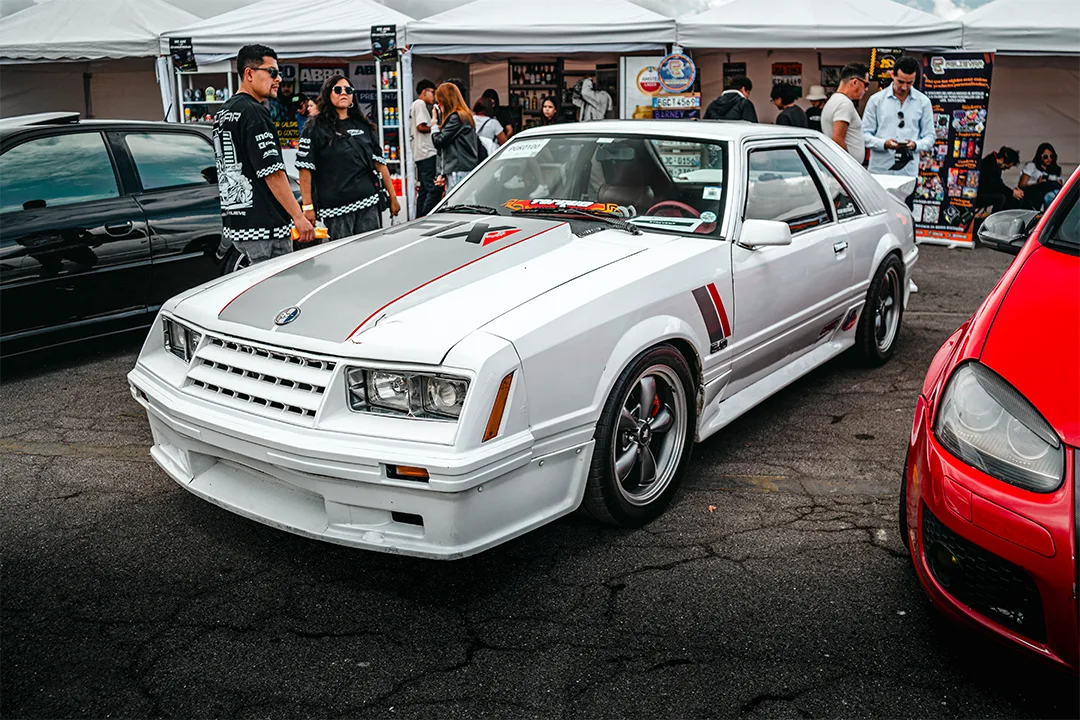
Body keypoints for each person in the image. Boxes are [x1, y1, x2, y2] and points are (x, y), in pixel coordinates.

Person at [212, 43, 313, 266]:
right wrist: (298, 216)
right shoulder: (254, 111)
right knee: (277, 293)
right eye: (272, 72)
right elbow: (273, 172)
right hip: (265, 227)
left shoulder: (224, 113)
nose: (278, 79)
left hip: (237, 224)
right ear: (249, 73)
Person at [296, 74, 400, 241]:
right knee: (343, 258)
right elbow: (305, 169)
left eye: (348, 90)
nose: (343, 93)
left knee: (371, 254)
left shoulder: (364, 125)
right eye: (337, 90)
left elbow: (380, 164)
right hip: (336, 208)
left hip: (368, 203)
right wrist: (307, 207)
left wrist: (393, 198)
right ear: (328, 94)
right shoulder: (314, 127)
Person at [862, 56, 934, 177]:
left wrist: (915, 145)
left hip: (908, 173)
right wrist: (884, 144)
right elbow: (864, 134)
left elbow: (930, 137)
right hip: (880, 171)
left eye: (909, 82)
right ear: (892, 75)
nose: (904, 87)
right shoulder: (876, 100)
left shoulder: (923, 102)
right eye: (900, 81)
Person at [431, 81, 479, 193]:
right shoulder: (461, 116)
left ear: (445, 101)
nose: (438, 105)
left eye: (439, 102)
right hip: (460, 167)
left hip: (458, 169)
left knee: (457, 204)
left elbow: (439, 141)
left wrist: (434, 124)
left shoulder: (456, 118)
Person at [820, 63, 869, 163]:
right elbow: (837, 139)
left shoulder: (833, 100)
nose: (866, 89)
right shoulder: (844, 103)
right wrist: (850, 165)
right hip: (847, 168)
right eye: (866, 84)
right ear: (855, 82)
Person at [409, 79, 440, 216]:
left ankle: (419, 216)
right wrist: (436, 128)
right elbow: (421, 127)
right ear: (424, 92)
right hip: (426, 152)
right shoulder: (420, 103)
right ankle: (427, 215)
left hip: (420, 152)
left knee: (423, 190)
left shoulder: (415, 105)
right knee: (432, 189)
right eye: (432, 92)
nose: (434, 96)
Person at [975, 146, 1023, 213]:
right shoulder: (990, 163)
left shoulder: (994, 163)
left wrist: (1011, 192)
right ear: (1003, 160)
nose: (1006, 169)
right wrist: (1011, 192)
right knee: (1001, 198)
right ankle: (995, 219)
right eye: (1006, 167)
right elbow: (995, 184)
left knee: (1009, 197)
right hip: (978, 194)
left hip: (986, 191)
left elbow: (998, 183)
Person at [1018, 142, 1065, 210]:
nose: (1049, 159)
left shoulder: (1056, 169)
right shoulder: (1032, 166)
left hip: (1053, 191)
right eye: (1045, 157)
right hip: (1036, 193)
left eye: (1051, 156)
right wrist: (1037, 183)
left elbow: (1060, 185)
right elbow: (1021, 184)